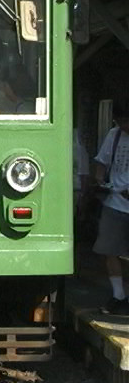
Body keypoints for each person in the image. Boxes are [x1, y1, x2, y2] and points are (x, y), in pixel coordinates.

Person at [93, 104, 129, 314]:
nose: (123, 126)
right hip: (115, 202)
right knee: (110, 250)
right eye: (120, 122)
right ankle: (118, 295)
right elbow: (101, 162)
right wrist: (99, 180)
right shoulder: (114, 135)